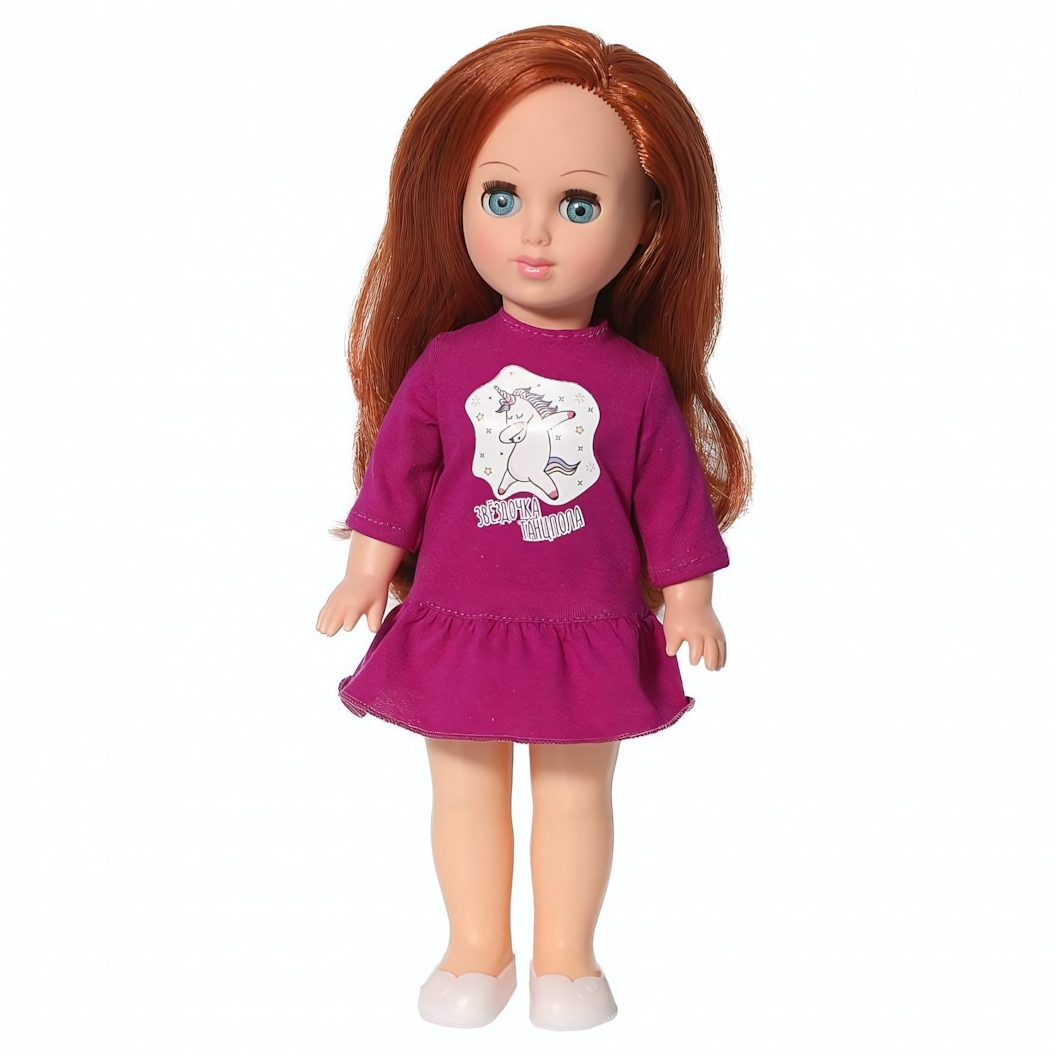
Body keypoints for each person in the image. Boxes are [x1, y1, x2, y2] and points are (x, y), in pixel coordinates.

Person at [316, 25, 751, 1031]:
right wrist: (365, 571)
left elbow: (669, 499)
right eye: (502, 196)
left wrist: (689, 598)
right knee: (464, 789)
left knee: (574, 795)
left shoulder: (635, 381)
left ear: (648, 222)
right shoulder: (447, 363)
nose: (538, 235)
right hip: (459, 619)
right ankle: (477, 948)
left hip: (585, 626)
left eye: (580, 205)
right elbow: (399, 476)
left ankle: (565, 959)